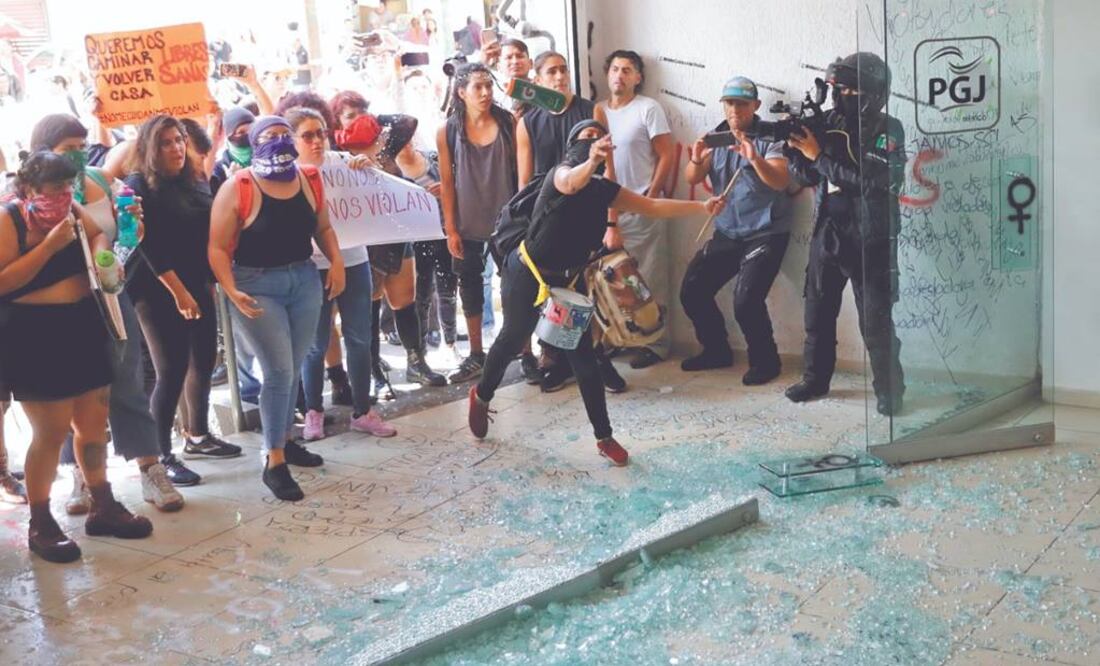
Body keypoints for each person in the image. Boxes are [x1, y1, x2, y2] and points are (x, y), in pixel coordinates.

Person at [470, 122, 723, 465]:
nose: (593, 142)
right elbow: (572, 182)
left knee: (584, 361)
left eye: (598, 139)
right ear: (573, 146)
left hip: (567, 283)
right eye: (585, 138)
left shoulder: (605, 191)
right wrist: (589, 162)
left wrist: (701, 207)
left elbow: (652, 206)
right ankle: (482, 395)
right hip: (527, 271)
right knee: (512, 338)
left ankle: (604, 437)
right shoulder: (559, 176)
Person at [0, 151, 152, 562]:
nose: (63, 196)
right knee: (49, 433)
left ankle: (103, 502)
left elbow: (97, 234)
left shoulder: (72, 210)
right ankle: (41, 520)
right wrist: (49, 247)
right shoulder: (10, 220)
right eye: (54, 190)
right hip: (34, 333)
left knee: (93, 423)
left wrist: (103, 255)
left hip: (83, 324)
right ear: (29, 190)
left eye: (69, 187)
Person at [29, 113, 184, 512]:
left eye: (82, 147)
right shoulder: (31, 192)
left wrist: (132, 230)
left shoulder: (99, 179)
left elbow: (118, 232)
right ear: (43, 151)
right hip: (60, 307)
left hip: (112, 297)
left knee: (128, 382)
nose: (78, 157)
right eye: (68, 150)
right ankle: (81, 476)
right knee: (70, 394)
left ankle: (149, 467)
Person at [209, 116, 344, 501]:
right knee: (279, 371)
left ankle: (286, 440)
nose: (280, 142)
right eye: (270, 137)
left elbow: (324, 227)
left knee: (297, 361)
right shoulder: (239, 187)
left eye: (286, 135)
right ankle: (274, 461)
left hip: (302, 280)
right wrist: (231, 291)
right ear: (253, 143)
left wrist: (335, 262)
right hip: (256, 284)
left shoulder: (309, 179)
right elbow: (217, 248)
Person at [784, 52, 906, 416]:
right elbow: (806, 178)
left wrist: (817, 155)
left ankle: (890, 390)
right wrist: (798, 152)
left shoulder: (889, 128)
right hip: (829, 230)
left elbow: (874, 183)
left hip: (871, 235)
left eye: (851, 89)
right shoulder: (827, 122)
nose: (842, 95)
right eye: (838, 88)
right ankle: (815, 380)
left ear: (873, 93)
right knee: (817, 312)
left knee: (875, 321)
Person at [125, 115, 243, 489]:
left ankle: (197, 435)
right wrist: (178, 290)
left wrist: (208, 281)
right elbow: (146, 243)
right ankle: (161, 455)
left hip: (196, 282)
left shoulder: (193, 179)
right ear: (148, 148)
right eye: (165, 142)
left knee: (204, 360)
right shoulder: (138, 183)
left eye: (179, 140)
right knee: (171, 369)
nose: (176, 148)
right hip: (156, 288)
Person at [516, 50, 624, 393]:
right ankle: (554, 362)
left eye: (564, 70)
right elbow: (525, 181)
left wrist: (612, 223)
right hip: (549, 217)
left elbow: (608, 166)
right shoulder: (528, 121)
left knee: (586, 290)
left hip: (586, 212)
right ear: (537, 80)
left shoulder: (588, 110)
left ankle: (598, 358)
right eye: (551, 72)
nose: (560, 77)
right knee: (550, 294)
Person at [286, 106, 397, 441]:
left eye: (321, 133)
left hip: (354, 261)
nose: (317, 141)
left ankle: (363, 411)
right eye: (308, 136)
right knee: (314, 344)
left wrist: (368, 167)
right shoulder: (287, 174)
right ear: (293, 140)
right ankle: (314, 412)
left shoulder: (343, 164)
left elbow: (378, 193)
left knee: (360, 338)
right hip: (311, 268)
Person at [680, 77, 793, 385]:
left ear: (755, 106)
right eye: (729, 103)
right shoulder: (716, 137)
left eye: (741, 104)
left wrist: (754, 158)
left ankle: (766, 362)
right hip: (728, 231)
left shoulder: (771, 137)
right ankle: (716, 350)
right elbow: (692, 176)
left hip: (766, 232)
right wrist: (695, 158)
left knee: (746, 301)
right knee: (692, 289)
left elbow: (780, 181)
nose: (734, 110)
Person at [330, 106, 446, 390]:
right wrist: (351, 152)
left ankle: (416, 363)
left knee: (405, 301)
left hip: (397, 238)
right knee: (368, 306)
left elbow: (408, 120)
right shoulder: (340, 162)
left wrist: (374, 122)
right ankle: (374, 371)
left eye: (373, 138)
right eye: (367, 140)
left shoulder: (385, 153)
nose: (377, 142)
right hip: (365, 245)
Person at [438, 63, 517, 384]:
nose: (485, 93)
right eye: (477, 88)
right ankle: (475, 353)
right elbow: (445, 181)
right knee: (469, 286)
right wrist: (451, 228)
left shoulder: (508, 122)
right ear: (461, 92)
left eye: (488, 86)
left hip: (508, 221)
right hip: (468, 223)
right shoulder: (448, 130)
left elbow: (520, 171)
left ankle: (523, 351)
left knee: (515, 286)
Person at [598, 50, 677, 369]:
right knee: (614, 279)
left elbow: (667, 155)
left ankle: (656, 343)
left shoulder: (648, 108)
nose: (620, 75)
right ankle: (622, 337)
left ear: (638, 77)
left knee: (648, 277)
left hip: (642, 207)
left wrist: (653, 196)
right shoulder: (599, 111)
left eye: (627, 70)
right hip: (609, 214)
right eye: (615, 68)